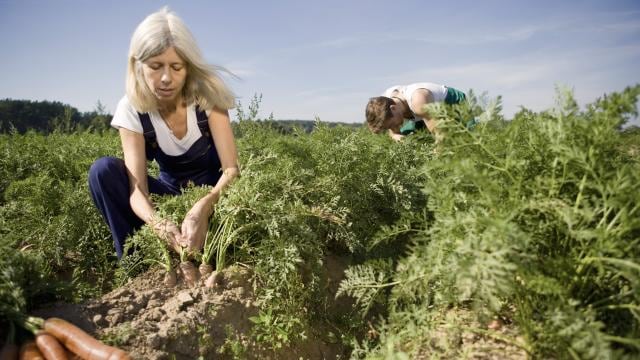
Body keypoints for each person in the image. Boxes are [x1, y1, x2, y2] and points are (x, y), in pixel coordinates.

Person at [88, 7, 239, 259]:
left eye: (176, 67)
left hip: (214, 200)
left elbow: (232, 170)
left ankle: (209, 250)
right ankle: (136, 262)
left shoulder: (207, 96)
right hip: (169, 201)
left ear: (188, 67)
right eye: (156, 66)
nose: (166, 77)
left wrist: (203, 206)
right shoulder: (132, 108)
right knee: (103, 172)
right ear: (138, 66)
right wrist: (159, 224)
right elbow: (138, 192)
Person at [365, 82, 467, 141]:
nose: (392, 128)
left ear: (394, 108)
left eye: (391, 124)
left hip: (452, 103)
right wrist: (396, 136)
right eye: (388, 127)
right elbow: (393, 133)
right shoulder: (385, 101)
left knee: (460, 140)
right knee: (410, 138)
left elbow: (440, 136)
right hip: (423, 115)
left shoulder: (418, 101)